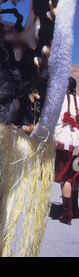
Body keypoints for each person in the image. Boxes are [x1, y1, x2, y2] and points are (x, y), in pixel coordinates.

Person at [54, 77, 79, 225]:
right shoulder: (78, 99)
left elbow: (55, 121)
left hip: (64, 144)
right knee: (74, 177)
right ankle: (75, 208)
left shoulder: (60, 101)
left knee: (65, 179)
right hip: (77, 143)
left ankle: (67, 213)